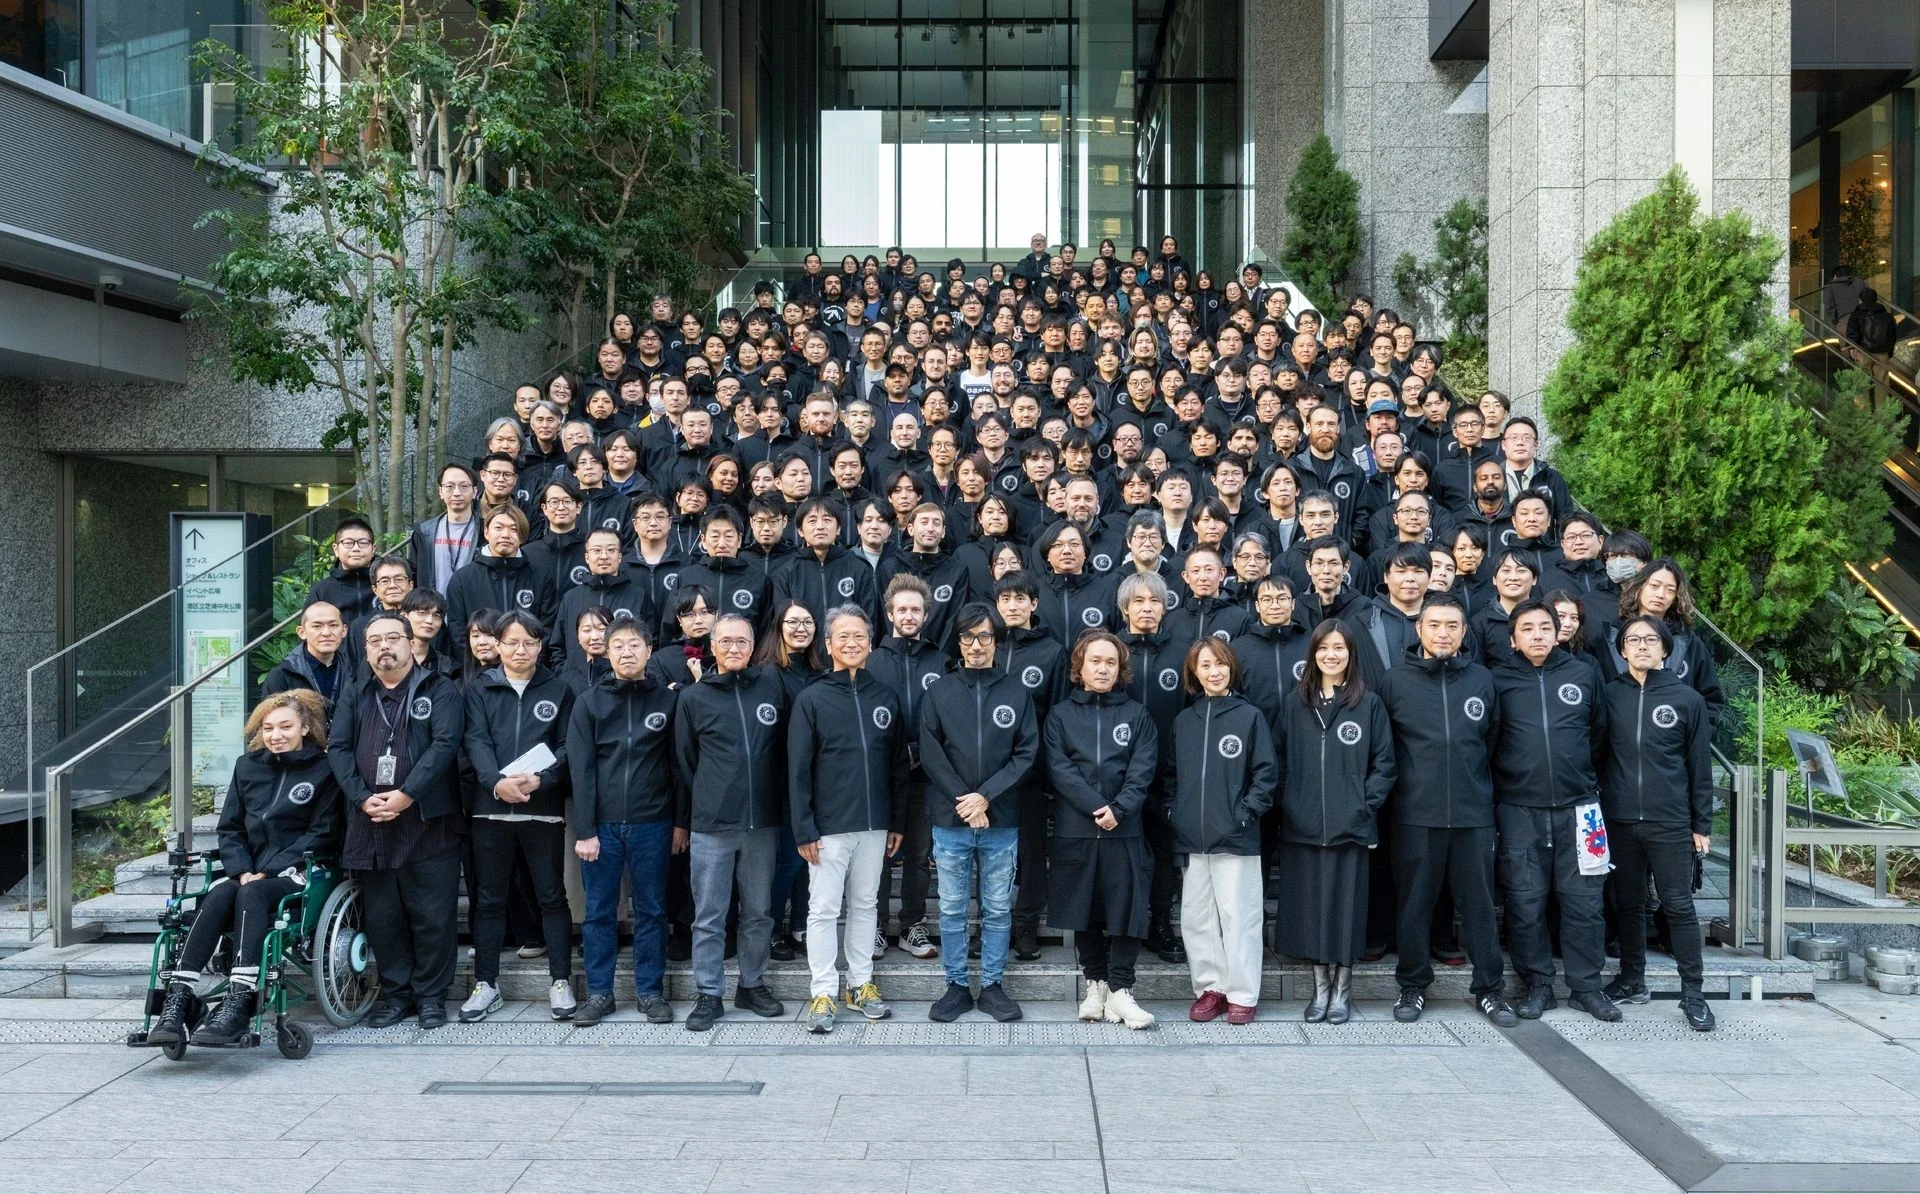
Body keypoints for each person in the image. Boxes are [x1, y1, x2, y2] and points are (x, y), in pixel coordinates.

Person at [154, 689, 343, 1048]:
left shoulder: (325, 769)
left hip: (299, 874)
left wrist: (267, 872)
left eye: (285, 726)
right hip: (249, 874)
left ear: (305, 727)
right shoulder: (248, 766)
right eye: (268, 728)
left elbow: (323, 831)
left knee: (252, 892)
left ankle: (240, 998)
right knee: (220, 892)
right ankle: (180, 998)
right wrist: (241, 870)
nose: (276, 735)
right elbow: (231, 828)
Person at [1379, 594, 1515, 1027]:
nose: (1443, 633)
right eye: (1434, 624)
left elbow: (1490, 741)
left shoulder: (1482, 680)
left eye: (1452, 625)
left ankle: (1490, 990)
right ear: (1419, 629)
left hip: (1473, 816)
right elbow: (1385, 748)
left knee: (1479, 907)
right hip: (1415, 814)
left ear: (1464, 631)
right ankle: (1413, 985)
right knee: (1414, 906)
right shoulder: (1394, 681)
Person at [327, 613, 465, 1029]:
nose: (384, 647)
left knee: (433, 917)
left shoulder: (439, 689)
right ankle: (395, 996)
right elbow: (338, 748)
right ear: (365, 650)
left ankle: (431, 998)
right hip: (370, 821)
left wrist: (407, 794)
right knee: (384, 918)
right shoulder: (355, 692)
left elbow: (444, 746)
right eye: (375, 641)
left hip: (427, 820)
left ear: (410, 642)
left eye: (392, 638)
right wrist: (361, 797)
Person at [1490, 600, 1620, 1022]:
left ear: (1558, 632)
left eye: (1545, 627)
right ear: (1513, 638)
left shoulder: (1583, 673)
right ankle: (1538, 984)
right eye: (1527, 628)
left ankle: (1587, 987)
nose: (1538, 635)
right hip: (1519, 809)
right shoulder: (1497, 680)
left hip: (1582, 809)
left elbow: (1599, 734)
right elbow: (1490, 741)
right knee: (1525, 902)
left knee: (1585, 903)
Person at [788, 605, 909, 1032]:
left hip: (875, 825)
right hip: (827, 828)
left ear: (871, 643)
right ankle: (823, 990)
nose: (852, 643)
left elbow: (898, 766)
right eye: (843, 636)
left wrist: (896, 822)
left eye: (859, 635)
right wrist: (804, 827)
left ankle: (860, 984)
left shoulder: (885, 697)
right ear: (828, 644)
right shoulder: (812, 698)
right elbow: (798, 769)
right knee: (822, 909)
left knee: (865, 904)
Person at [919, 604, 1039, 1023]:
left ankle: (991, 985)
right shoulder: (939, 692)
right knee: (952, 908)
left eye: (984, 636)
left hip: (1000, 819)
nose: (975, 645)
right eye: (967, 637)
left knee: (998, 908)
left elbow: (1026, 753)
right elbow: (931, 754)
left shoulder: (1016, 692)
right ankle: (955, 985)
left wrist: (985, 797)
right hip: (951, 820)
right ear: (958, 641)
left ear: (996, 641)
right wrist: (966, 802)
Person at [1272, 621, 1395, 1025]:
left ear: (1350, 653)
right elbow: (1277, 760)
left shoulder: (1368, 704)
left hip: (1351, 827)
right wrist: (1291, 801)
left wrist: (1363, 805)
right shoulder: (1295, 703)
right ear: (1313, 653)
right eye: (1323, 648)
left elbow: (1384, 764)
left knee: (1346, 909)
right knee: (1312, 910)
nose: (1331, 655)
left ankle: (1342, 991)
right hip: (1303, 826)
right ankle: (1319, 988)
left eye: (1339, 648)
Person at [672, 612, 789, 1031]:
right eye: (726, 641)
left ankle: (752, 984)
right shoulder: (693, 698)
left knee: (759, 912)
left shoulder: (770, 687)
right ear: (712, 647)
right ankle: (708, 993)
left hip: (763, 823)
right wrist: (708, 801)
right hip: (712, 825)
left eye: (742, 641)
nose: (734, 648)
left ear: (753, 647)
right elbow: (686, 763)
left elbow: (782, 750)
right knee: (709, 915)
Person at [458, 612, 576, 1023]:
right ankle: (485, 984)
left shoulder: (559, 689)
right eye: (511, 642)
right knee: (490, 899)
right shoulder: (479, 689)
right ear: (498, 646)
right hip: (490, 809)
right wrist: (495, 782)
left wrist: (542, 780)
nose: (520, 650)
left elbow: (567, 746)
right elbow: (474, 740)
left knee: (552, 896)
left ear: (540, 646)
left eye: (528, 642)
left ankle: (560, 981)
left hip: (542, 811)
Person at [1600, 614, 1716, 1032]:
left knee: (1678, 905)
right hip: (1619, 818)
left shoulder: (1687, 699)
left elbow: (1699, 766)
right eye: (1633, 640)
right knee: (1629, 905)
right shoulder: (1609, 694)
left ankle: (1694, 993)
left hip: (1670, 820)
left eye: (1651, 640)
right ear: (1622, 649)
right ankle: (1632, 978)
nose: (1642, 646)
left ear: (1665, 649)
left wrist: (1701, 824)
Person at [566, 617, 680, 1026]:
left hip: (654, 823)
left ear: (649, 650)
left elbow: (678, 766)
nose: (626, 652)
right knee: (599, 911)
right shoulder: (589, 703)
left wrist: (680, 823)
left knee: (652, 909)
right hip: (603, 827)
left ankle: (650, 992)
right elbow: (581, 770)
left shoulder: (668, 702)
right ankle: (600, 993)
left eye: (634, 645)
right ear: (606, 652)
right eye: (618, 645)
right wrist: (586, 830)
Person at [1046, 631, 1160, 1030]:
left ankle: (1121, 989)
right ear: (1080, 667)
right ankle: (1095, 985)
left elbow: (1142, 770)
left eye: (1111, 662)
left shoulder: (1137, 715)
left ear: (1120, 669)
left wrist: (1120, 809)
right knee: (1085, 909)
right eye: (1095, 661)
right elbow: (1059, 768)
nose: (1103, 668)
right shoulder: (1060, 715)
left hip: (1123, 829)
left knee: (1126, 910)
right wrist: (1098, 806)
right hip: (1077, 828)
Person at [1170, 638, 1277, 1024]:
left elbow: (1266, 774)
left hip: (1236, 836)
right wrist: (1174, 813)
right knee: (1196, 917)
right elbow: (1170, 775)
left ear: (1231, 668)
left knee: (1239, 916)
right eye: (1205, 665)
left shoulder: (1249, 717)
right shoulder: (1185, 721)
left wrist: (1244, 815)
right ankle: (1210, 989)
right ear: (1194, 673)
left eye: (1220, 664)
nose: (1214, 672)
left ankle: (1242, 994)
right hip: (1192, 837)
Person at [866, 575, 950, 959]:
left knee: (918, 853)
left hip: (926, 775)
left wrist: (920, 750)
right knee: (880, 853)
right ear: (890, 614)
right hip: (881, 775)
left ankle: (912, 924)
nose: (909, 615)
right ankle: (876, 926)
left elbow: (949, 719)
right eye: (902, 609)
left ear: (925, 615)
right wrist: (897, 751)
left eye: (916, 609)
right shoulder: (871, 661)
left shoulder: (941, 661)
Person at [411, 463, 482, 593]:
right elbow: (413, 574)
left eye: (464, 486)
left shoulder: (486, 531)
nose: (457, 493)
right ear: (440, 492)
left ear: (474, 492)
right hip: (432, 604)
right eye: (449, 486)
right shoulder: (424, 533)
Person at [263, 601, 346, 710]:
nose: (326, 633)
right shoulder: (283, 675)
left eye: (333, 625)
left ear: (344, 630)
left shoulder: (354, 671)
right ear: (302, 632)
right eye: (317, 626)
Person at [307, 516, 378, 622]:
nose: (356, 548)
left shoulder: (386, 584)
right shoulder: (322, 591)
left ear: (373, 549)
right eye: (348, 543)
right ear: (336, 549)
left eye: (363, 543)